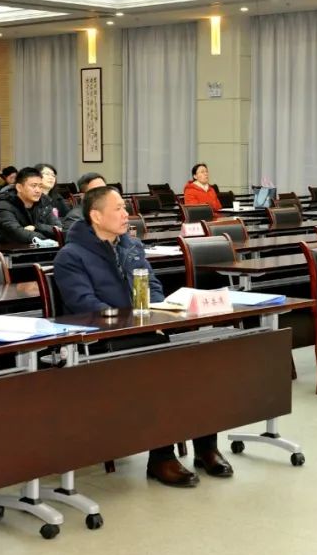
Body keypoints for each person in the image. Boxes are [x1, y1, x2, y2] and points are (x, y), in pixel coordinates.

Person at [54, 186, 232, 487]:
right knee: (163, 370)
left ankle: (206, 447)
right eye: (118, 209)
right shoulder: (71, 256)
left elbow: (153, 285)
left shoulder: (131, 246)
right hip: (103, 344)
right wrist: (135, 322)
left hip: (144, 334)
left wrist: (159, 313)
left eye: (125, 208)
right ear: (96, 216)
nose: (126, 214)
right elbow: (85, 305)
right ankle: (161, 457)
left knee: (199, 360)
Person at [0, 167, 61, 245]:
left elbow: (58, 229)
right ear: (19, 187)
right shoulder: (5, 205)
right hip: (8, 250)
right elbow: (17, 234)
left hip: (39, 249)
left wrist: (36, 227)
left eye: (40, 186)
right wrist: (47, 238)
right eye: (33, 186)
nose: (38, 190)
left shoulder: (44, 203)